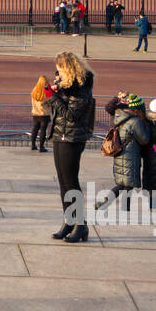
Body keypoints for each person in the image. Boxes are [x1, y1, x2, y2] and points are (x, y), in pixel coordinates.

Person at [48, 51, 96, 243]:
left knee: (71, 182)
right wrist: (54, 92)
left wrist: (54, 97)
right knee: (63, 183)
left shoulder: (81, 88)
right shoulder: (66, 86)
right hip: (60, 134)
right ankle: (69, 221)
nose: (57, 73)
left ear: (68, 69)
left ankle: (81, 225)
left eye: (60, 69)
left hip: (73, 137)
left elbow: (71, 115)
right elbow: (57, 110)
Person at [97, 93, 151, 211]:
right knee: (127, 184)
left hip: (120, 153)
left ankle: (112, 205)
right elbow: (144, 139)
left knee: (124, 183)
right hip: (130, 155)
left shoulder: (119, 117)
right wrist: (147, 127)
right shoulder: (135, 121)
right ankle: (118, 207)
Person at [29, 74, 52, 152]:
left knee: (35, 129)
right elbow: (50, 101)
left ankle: (33, 145)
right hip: (44, 114)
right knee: (43, 130)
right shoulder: (46, 91)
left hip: (35, 113)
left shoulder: (34, 90)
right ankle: (41, 147)